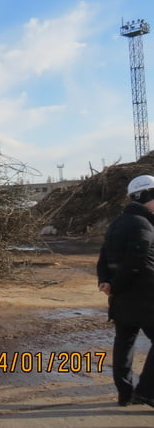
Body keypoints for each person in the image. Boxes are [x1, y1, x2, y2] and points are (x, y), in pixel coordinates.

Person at [97, 174, 154, 407]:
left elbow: (103, 256)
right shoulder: (143, 224)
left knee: (124, 342)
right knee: (125, 342)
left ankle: (125, 393)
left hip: (121, 298)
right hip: (145, 297)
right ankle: (146, 392)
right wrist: (116, 284)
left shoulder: (117, 222)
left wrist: (106, 282)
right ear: (147, 196)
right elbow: (136, 261)